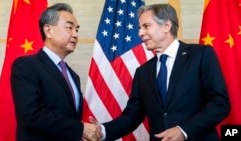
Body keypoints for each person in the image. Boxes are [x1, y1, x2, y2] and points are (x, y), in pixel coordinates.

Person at [94, 3, 230, 141]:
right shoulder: (143, 72)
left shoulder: (200, 54)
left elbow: (220, 104)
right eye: (139, 28)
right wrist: (102, 130)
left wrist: (183, 131)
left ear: (166, 26)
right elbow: (132, 116)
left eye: (146, 26)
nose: (140, 33)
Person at [11, 3, 102, 141]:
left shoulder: (73, 76)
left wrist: (81, 133)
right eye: (69, 28)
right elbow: (30, 115)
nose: (75, 35)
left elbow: (67, 117)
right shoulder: (26, 65)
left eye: (77, 30)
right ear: (48, 30)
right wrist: (80, 128)